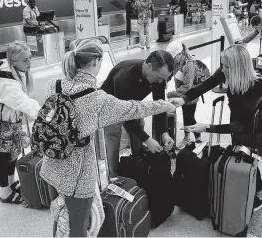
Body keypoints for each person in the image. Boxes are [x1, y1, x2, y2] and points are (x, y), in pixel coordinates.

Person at [40, 39, 175, 237]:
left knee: (60, 214)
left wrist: (159, 131)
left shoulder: (54, 85)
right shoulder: (98, 98)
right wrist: (164, 106)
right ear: (95, 62)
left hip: (51, 165)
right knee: (79, 223)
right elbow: (131, 110)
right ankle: (113, 177)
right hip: (78, 174)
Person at [169, 45, 262, 212]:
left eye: (224, 66)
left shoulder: (255, 88)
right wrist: (184, 99)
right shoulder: (229, 72)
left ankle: (261, 195)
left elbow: (239, 126)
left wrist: (207, 127)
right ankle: (249, 187)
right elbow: (207, 84)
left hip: (255, 131)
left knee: (248, 157)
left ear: (236, 67)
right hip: (240, 125)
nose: (221, 69)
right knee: (241, 155)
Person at [0, 41, 41, 204]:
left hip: (9, 117)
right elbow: (25, 103)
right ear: (13, 62)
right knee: (3, 157)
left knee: (12, 153)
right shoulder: (7, 83)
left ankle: (12, 182)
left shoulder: (14, 69)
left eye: (30, 58)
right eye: (25, 60)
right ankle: (4, 194)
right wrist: (48, 115)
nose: (29, 63)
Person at [101, 50, 175, 178]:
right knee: (113, 138)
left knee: (139, 128)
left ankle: (138, 161)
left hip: (132, 104)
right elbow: (125, 115)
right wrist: (148, 139)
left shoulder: (159, 77)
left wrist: (164, 133)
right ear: (149, 66)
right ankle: (114, 177)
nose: (160, 82)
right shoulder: (125, 77)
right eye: (159, 78)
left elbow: (159, 105)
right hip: (110, 107)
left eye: (164, 79)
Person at [166, 41, 210, 149]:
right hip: (181, 96)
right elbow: (171, 73)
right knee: (188, 116)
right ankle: (195, 138)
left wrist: (170, 94)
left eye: (173, 57)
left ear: (180, 54)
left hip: (190, 96)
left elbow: (187, 87)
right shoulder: (178, 62)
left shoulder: (189, 65)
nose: (172, 59)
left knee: (189, 117)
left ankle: (190, 138)